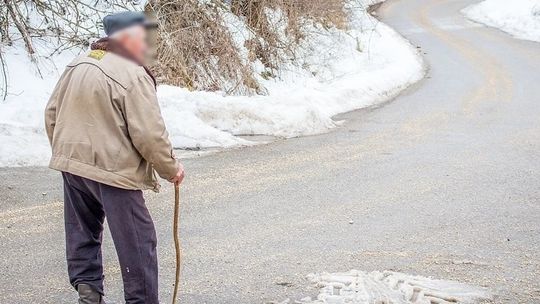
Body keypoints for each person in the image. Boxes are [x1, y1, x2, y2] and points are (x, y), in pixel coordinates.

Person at [44, 11, 184, 304]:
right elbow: (149, 134)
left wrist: (68, 153)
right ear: (130, 36)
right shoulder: (132, 73)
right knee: (137, 240)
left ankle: (88, 291)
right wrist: (170, 169)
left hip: (73, 165)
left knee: (83, 231)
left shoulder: (78, 63)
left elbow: (51, 114)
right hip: (113, 171)